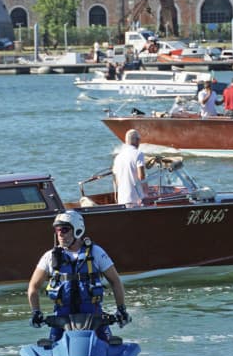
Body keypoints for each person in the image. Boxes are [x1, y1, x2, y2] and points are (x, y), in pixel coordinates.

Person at [27, 210, 129, 342]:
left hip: (93, 315)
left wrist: (121, 309)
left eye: (64, 229)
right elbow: (33, 286)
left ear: (78, 230)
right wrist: (36, 312)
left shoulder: (96, 252)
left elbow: (115, 281)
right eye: (57, 230)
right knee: (51, 346)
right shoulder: (50, 256)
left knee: (109, 344)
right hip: (62, 316)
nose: (60, 234)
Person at [112, 129, 146, 207]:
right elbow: (141, 177)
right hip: (135, 200)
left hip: (122, 200)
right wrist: (146, 192)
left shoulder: (118, 157)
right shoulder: (138, 153)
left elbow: (117, 181)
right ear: (137, 140)